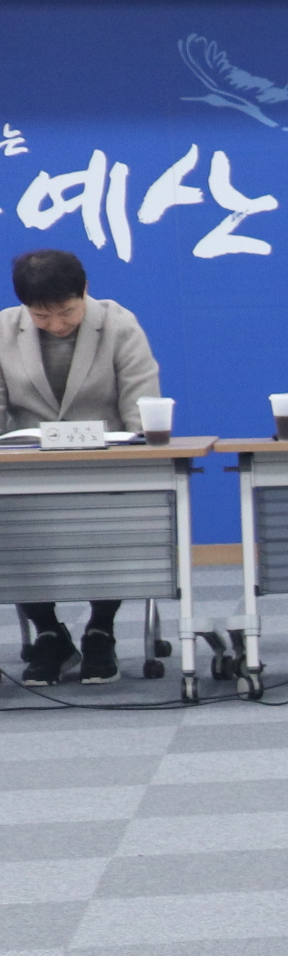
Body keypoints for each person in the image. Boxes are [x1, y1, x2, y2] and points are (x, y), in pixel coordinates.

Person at [2, 249, 160, 685]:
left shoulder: (119, 325)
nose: (56, 324)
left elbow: (142, 408)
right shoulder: (2, 331)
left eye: (67, 311)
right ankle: (49, 632)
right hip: (28, 473)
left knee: (110, 524)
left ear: (84, 291)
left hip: (106, 469)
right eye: (41, 315)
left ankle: (100, 630)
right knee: (11, 527)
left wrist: (136, 450)